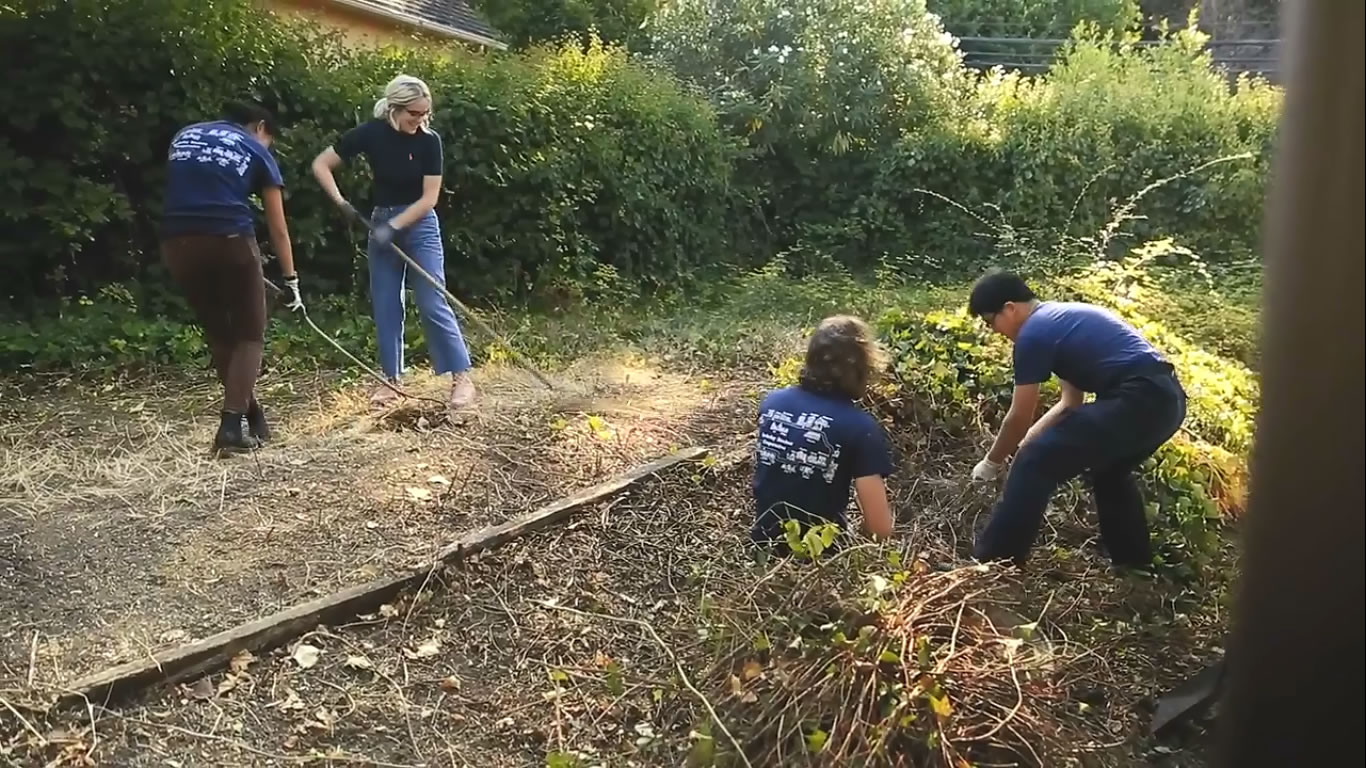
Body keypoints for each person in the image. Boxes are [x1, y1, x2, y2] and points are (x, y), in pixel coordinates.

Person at [967, 269, 1187, 569]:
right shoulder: (1058, 321)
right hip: (1166, 401)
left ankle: (994, 562)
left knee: (1038, 461)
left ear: (1010, 308)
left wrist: (992, 463)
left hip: (1138, 398)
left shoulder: (1032, 334)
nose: (994, 331)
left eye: (990, 321)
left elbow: (1019, 415)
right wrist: (1027, 445)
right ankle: (1134, 565)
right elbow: (1070, 404)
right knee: (1109, 472)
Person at [310, 74, 475, 409]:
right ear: (394, 109)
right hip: (381, 220)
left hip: (420, 225)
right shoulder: (371, 134)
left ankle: (462, 380)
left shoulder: (429, 142)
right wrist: (342, 203)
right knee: (386, 304)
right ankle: (391, 381)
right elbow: (321, 165)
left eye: (425, 113)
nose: (420, 120)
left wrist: (394, 227)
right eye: (414, 114)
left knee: (432, 299)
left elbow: (429, 199)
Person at [159, 100, 302, 455]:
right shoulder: (255, 147)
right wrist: (291, 278)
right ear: (261, 128)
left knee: (220, 333)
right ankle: (230, 427)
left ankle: (251, 415)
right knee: (250, 334)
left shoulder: (186, 136)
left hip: (176, 240)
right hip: (230, 238)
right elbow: (278, 228)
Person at [751, 315, 896, 555]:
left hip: (762, 547)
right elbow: (880, 529)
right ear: (861, 366)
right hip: (820, 558)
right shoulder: (859, 427)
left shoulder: (772, 403)